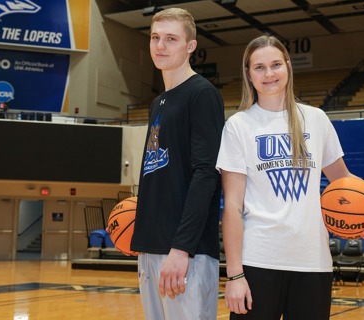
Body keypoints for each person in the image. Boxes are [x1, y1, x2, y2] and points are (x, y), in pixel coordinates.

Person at [216, 35, 364, 319]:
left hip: (313, 262)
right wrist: (235, 275)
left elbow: (343, 181)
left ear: (288, 66)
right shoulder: (238, 125)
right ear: (248, 74)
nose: (269, 74)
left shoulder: (316, 119)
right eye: (259, 67)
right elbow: (234, 207)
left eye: (275, 64)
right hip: (258, 260)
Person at [130, 8, 225, 320]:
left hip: (185, 253)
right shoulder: (159, 102)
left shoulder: (202, 94)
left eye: (171, 39)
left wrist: (181, 249)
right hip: (152, 249)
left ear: (190, 46)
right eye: (155, 38)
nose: (160, 45)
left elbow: (206, 175)